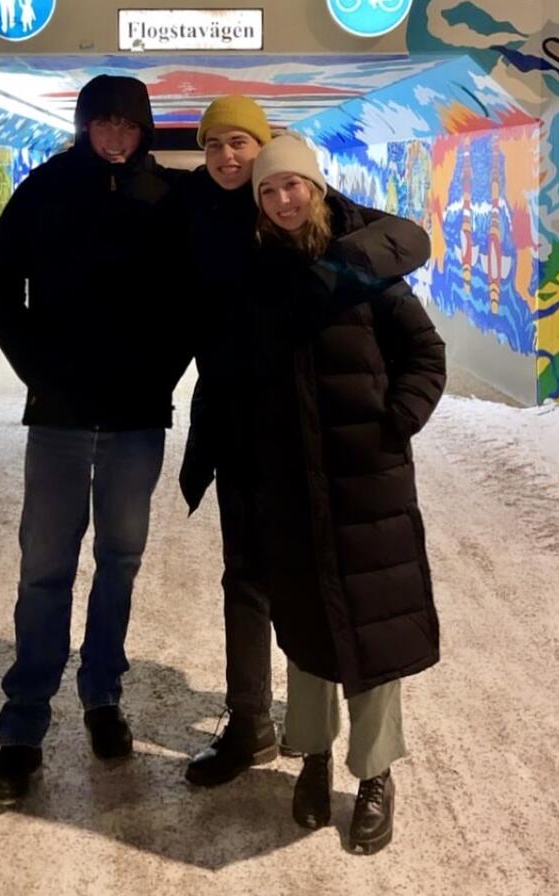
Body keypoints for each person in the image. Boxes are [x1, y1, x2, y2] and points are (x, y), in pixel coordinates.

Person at [175, 97, 434, 789]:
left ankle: (364, 763)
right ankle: (254, 724)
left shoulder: (327, 230)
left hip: (335, 450)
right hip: (248, 436)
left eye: (242, 145)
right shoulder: (194, 209)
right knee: (256, 583)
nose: (229, 158)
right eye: (215, 146)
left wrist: (394, 419)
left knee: (346, 592)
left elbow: (408, 238)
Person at [0, 74, 183, 804]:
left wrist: (160, 375)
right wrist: (36, 368)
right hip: (60, 422)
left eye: (130, 126)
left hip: (134, 423)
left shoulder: (166, 198)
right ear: (84, 124)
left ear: (146, 128)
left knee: (120, 561)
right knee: (44, 572)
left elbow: (190, 302)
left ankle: (103, 696)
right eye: (105, 124)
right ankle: (23, 728)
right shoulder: (45, 188)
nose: (118, 138)